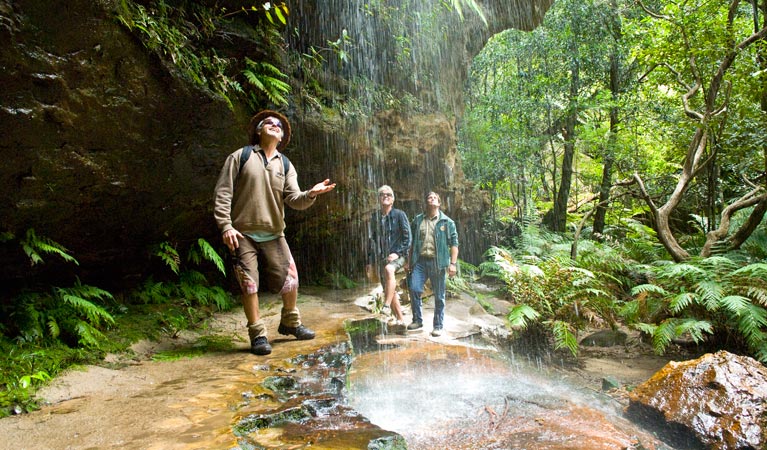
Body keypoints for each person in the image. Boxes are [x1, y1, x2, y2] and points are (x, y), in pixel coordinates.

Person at [214, 110, 336, 355]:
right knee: (249, 283)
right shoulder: (241, 156)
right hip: (243, 232)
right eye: (268, 123)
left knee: (291, 279)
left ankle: (290, 323)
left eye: (279, 125)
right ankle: (258, 334)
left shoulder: (286, 164)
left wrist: (311, 193)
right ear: (259, 131)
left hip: (274, 232)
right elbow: (223, 192)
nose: (274, 125)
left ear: (281, 137)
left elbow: (294, 199)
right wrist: (225, 226)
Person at [407, 191, 459, 337]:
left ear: (439, 203)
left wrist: (453, 264)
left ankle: (438, 326)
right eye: (429, 197)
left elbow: (454, 244)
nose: (432, 199)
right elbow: (411, 244)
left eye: (435, 197)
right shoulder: (417, 220)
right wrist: (408, 261)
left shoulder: (447, 222)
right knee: (414, 288)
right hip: (420, 261)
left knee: (439, 296)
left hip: (438, 262)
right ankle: (417, 320)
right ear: (426, 202)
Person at [366, 185, 411, 326]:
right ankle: (400, 320)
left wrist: (397, 253)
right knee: (388, 288)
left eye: (388, 195)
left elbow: (408, 237)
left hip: (399, 255)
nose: (385, 196)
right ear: (379, 199)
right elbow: (371, 241)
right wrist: (369, 261)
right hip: (382, 257)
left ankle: (385, 306)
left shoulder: (399, 214)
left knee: (389, 270)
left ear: (392, 200)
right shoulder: (375, 217)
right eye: (382, 194)